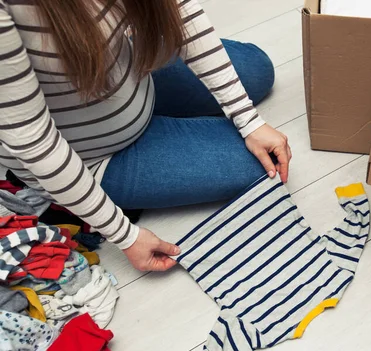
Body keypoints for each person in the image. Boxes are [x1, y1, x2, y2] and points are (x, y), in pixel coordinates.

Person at [0, 0, 292, 271]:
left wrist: (248, 119)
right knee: (255, 165)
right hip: (89, 157)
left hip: (129, 73)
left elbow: (180, 10)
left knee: (257, 70)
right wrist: (124, 235)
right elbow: (33, 141)